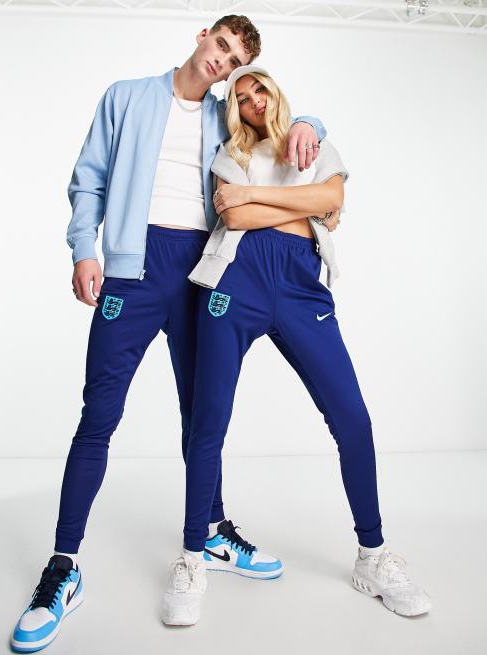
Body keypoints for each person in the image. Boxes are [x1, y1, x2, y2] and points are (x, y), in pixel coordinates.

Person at [10, 16, 327, 653]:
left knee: (201, 416)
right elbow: (88, 178)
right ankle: (64, 565)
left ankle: (210, 531)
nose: (222, 61)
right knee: (99, 416)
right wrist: (84, 249)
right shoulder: (127, 96)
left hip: (205, 276)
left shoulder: (226, 117)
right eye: (221, 45)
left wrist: (308, 124)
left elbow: (277, 124)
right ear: (202, 34)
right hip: (133, 272)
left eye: (234, 60)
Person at [162, 65, 432, 626]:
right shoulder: (230, 154)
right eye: (241, 97)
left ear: (275, 91)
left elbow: (331, 195)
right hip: (235, 280)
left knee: (352, 419)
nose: (253, 101)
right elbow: (236, 213)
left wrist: (266, 198)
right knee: (208, 421)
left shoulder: (313, 144)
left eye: (259, 88)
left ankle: (374, 556)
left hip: (300, 286)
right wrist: (303, 206)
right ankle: (193, 556)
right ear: (234, 110)